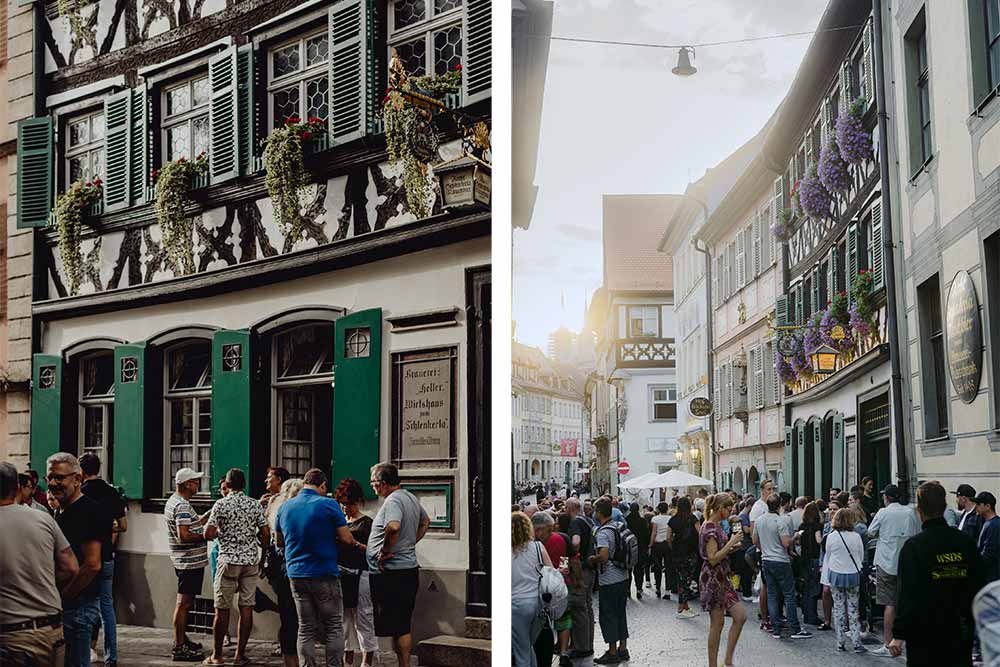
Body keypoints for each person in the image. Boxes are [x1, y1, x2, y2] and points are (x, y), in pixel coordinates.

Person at [275, 469, 365, 667]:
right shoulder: (329, 505)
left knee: (305, 627)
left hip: (296, 574)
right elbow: (346, 538)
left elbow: (278, 541)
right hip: (324, 573)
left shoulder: (285, 507)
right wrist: (361, 547)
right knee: (333, 626)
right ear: (322, 485)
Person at [889, 482, 985, 664]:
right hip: (959, 629)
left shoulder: (914, 547)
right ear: (944, 507)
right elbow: (978, 584)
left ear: (919, 510)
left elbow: (907, 594)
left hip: (924, 633)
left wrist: (899, 634)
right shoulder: (965, 542)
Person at [0, 461, 79, 667]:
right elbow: (71, 567)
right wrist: (43, 585)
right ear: (17, 488)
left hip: (11, 637)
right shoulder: (43, 518)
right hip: (51, 632)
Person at [47, 452, 109, 667]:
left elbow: (92, 565)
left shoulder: (89, 510)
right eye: (50, 478)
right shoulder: (61, 510)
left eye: (60, 478)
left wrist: (65, 597)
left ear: (77, 478)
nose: (53, 483)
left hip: (77, 605)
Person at [203, 468, 269, 667]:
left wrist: (222, 534)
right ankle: (240, 655)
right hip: (250, 561)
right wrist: (263, 556)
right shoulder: (254, 504)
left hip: (228, 561)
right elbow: (265, 533)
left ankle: (217, 656)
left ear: (228, 485)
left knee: (221, 609)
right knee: (246, 608)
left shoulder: (221, 504)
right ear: (244, 485)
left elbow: (208, 533)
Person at [367, 463, 429, 667]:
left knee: (399, 626)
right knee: (401, 625)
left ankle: (404, 665)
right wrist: (410, 543)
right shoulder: (409, 497)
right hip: (407, 570)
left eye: (374, 482)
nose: (372, 486)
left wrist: (384, 551)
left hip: (392, 573)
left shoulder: (393, 501)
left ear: (384, 484)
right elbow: (425, 521)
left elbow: (393, 527)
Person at [79, 453, 126, 667]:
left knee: (85, 605)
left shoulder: (80, 493)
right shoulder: (111, 492)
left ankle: (83, 653)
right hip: (107, 554)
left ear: (81, 471)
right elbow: (123, 526)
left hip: (86, 556)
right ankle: (112, 657)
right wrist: (108, 528)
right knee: (107, 608)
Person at [867, 484, 921, 657]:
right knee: (907, 602)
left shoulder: (883, 513)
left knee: (889, 604)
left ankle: (888, 643)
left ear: (886, 498)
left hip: (886, 563)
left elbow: (871, 532)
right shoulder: (910, 512)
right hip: (906, 563)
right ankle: (908, 641)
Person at [165, 468, 212, 661]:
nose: (198, 484)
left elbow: (187, 527)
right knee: (184, 604)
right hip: (189, 561)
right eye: (194, 481)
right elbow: (184, 535)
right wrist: (205, 535)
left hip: (184, 560)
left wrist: (206, 516)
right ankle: (179, 647)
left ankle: (182, 639)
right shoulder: (183, 506)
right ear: (186, 484)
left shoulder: (174, 501)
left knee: (185, 603)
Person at [698, 493, 747, 667]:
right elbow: (712, 558)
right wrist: (731, 543)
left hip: (723, 577)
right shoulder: (710, 528)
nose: (731, 511)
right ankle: (713, 664)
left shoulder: (716, 525)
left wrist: (731, 548)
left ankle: (728, 659)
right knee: (717, 624)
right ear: (720, 508)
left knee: (740, 616)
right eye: (729, 508)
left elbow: (719, 553)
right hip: (713, 579)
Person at [754, 493, 811, 640]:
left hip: (766, 559)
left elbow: (755, 540)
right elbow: (786, 543)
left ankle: (776, 629)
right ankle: (795, 628)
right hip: (780, 560)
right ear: (780, 505)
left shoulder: (760, 520)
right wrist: (797, 536)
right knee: (789, 595)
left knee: (772, 594)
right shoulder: (781, 521)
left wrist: (765, 549)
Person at [334, 478, 377, 667]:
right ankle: (347, 659)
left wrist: (356, 544)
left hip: (361, 574)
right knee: (343, 619)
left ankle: (367, 660)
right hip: (341, 573)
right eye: (342, 504)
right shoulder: (339, 523)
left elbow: (374, 550)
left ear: (357, 501)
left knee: (363, 617)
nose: (345, 508)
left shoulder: (367, 523)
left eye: (349, 504)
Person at [265, 477, 304, 667]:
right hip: (289, 569)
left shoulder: (276, 508)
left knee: (290, 617)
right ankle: (293, 658)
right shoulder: (287, 511)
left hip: (281, 569)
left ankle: (292, 659)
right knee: (293, 618)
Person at [588, 498, 629, 664]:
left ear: (599, 512)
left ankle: (612, 652)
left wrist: (593, 559)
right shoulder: (617, 526)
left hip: (609, 580)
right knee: (620, 613)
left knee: (609, 615)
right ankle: (623, 648)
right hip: (623, 577)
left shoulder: (604, 532)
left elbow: (604, 556)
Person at [824, 508, 867, 653]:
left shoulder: (831, 536)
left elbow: (828, 556)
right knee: (853, 609)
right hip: (853, 574)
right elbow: (860, 557)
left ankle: (840, 641)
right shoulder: (856, 536)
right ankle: (856, 641)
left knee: (838, 608)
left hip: (836, 573)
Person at [533, 512, 572, 667]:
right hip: (539, 601)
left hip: (536, 600)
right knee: (544, 640)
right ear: (538, 530)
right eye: (549, 530)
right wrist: (559, 573)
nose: (551, 534)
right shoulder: (537, 547)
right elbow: (550, 572)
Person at [512, 511, 549, 667]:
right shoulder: (538, 547)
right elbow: (550, 572)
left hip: (515, 604)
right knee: (528, 646)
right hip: (537, 604)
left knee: (522, 651)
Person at [564, 497, 596, 659]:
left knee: (578, 607)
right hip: (590, 570)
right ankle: (588, 643)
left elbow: (576, 542)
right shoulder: (588, 520)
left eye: (565, 508)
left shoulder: (576, 522)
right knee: (587, 606)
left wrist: (568, 549)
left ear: (570, 508)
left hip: (581, 570)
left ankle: (582, 647)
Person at [748, 478, 775, 630]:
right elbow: (753, 534)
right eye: (768, 489)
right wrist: (762, 548)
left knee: (770, 585)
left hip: (771, 550)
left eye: (773, 489)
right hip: (763, 551)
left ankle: (771, 614)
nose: (771, 492)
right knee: (765, 585)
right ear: (762, 490)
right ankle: (764, 617)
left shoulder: (770, 505)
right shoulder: (758, 508)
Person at [669, 496, 701, 618]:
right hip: (690, 553)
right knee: (686, 579)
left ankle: (685, 606)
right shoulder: (693, 518)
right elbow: (700, 533)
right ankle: (681, 607)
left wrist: (673, 547)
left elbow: (668, 537)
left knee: (681, 579)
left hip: (677, 553)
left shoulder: (673, 520)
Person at [797, 501, 824, 627]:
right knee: (813, 588)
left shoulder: (802, 525)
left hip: (804, 558)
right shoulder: (817, 526)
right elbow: (819, 541)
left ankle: (806, 614)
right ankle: (812, 616)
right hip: (814, 557)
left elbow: (797, 541)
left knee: (806, 587)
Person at [625, 502, 649, 600]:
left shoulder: (626, 520)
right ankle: (639, 588)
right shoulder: (642, 521)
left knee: (629, 570)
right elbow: (646, 534)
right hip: (640, 547)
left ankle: (628, 590)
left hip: (629, 548)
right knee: (639, 569)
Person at [649, 501, 672, 600]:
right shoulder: (670, 519)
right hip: (667, 544)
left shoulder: (655, 519)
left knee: (657, 566)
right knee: (668, 567)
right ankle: (667, 591)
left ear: (658, 509)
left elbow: (654, 533)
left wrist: (650, 544)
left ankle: (658, 588)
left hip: (657, 544)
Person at [976, 491, 1000, 584]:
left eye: (979, 504)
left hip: (992, 577)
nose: (976, 507)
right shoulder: (987, 523)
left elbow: (989, 554)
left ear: (988, 506)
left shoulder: (995, 525)